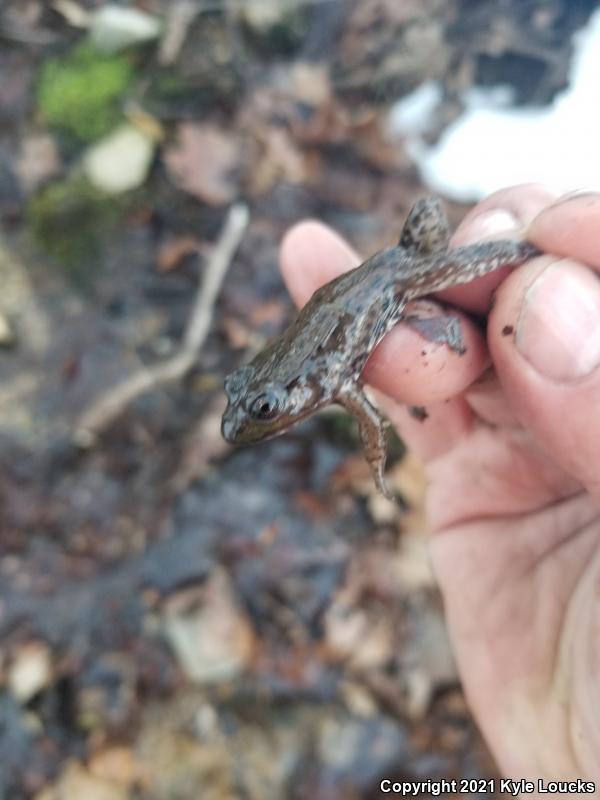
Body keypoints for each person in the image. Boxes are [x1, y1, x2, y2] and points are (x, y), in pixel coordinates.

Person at [280, 185, 600, 781]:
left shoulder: (327, 376)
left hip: (406, 278)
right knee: (481, 286)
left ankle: (526, 270)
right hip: (400, 279)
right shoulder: (322, 375)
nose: (261, 418)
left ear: (295, 390)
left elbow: (372, 417)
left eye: (270, 406)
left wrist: (378, 459)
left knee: (514, 255)